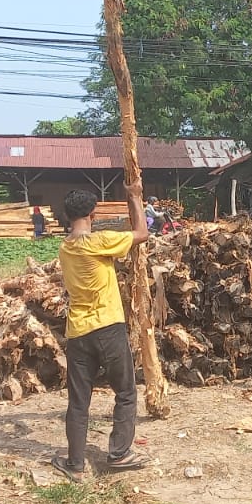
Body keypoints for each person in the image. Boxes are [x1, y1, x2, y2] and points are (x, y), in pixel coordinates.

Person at [51, 189, 152, 480]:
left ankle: (75, 463)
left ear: (69, 216)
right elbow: (141, 233)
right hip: (108, 327)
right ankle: (119, 454)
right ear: (93, 215)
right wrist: (135, 197)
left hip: (78, 332)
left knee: (79, 400)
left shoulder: (65, 247)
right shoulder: (101, 242)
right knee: (125, 391)